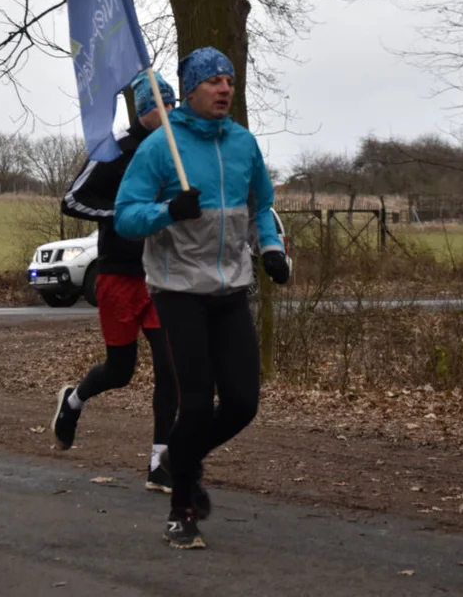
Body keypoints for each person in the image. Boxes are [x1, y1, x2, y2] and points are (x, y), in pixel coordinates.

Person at [114, 47, 290, 549]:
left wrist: (271, 248)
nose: (224, 88)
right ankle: (181, 506)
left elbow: (262, 206)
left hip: (231, 289)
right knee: (194, 404)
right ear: (189, 90)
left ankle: (178, 459)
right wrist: (168, 210)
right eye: (213, 81)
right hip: (178, 291)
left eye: (229, 80)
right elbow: (126, 217)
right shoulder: (158, 149)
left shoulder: (243, 144)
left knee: (241, 403)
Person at [52, 71, 179, 494]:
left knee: (171, 367)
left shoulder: (178, 150)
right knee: (121, 371)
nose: (171, 113)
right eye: (163, 105)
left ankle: (160, 461)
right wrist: (127, 214)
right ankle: (74, 400)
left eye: (174, 105)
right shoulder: (114, 150)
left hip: (163, 275)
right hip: (119, 275)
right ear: (145, 109)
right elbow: (72, 200)